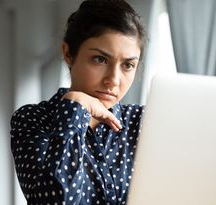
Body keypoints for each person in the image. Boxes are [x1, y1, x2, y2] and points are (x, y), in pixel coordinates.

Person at [10, 0, 146, 204]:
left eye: (128, 65)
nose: (114, 80)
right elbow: (55, 201)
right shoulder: (32, 119)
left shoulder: (144, 122)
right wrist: (74, 108)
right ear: (68, 53)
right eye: (100, 59)